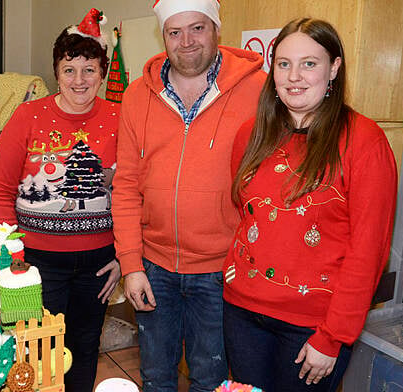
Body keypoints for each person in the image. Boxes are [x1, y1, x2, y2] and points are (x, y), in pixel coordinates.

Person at [223, 18, 398, 392]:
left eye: (309, 63)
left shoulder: (364, 141)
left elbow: (368, 250)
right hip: (242, 314)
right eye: (284, 63)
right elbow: (246, 214)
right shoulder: (251, 135)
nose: (294, 76)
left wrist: (333, 336)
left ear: (334, 67)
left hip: (313, 327)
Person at [112, 0, 266, 390]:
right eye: (174, 32)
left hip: (222, 269)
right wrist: (131, 264)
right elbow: (127, 185)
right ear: (162, 36)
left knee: (211, 378)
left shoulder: (259, 91)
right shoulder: (136, 96)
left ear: (216, 29)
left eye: (197, 28)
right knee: (156, 377)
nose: (186, 42)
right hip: (155, 266)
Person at [0, 8, 121, 392]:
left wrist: (124, 256)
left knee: (84, 344)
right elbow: (0, 190)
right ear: (56, 73)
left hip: (99, 262)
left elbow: (134, 191)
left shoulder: (121, 117)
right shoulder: (28, 116)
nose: (79, 80)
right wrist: (11, 259)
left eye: (89, 69)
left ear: (103, 72)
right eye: (69, 69)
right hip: (37, 261)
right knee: (38, 350)